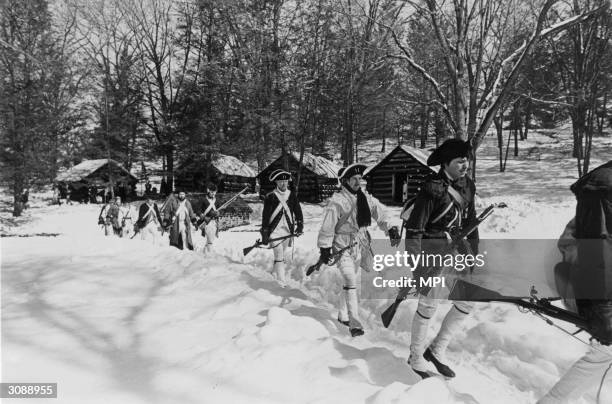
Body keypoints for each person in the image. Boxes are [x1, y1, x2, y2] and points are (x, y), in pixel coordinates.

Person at [538, 160, 612, 403]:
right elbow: (593, 251)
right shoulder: (602, 188)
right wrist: (600, 310)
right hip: (590, 284)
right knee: (605, 351)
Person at [404, 138, 478, 379]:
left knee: (467, 301)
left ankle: (436, 350)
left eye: (466, 160)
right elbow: (415, 230)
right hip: (431, 252)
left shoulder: (468, 185)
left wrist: (472, 255)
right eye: (460, 161)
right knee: (429, 305)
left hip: (456, 250)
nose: (465, 165)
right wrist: (417, 266)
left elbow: (470, 222)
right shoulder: (432, 188)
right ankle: (415, 356)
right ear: (446, 163)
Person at [318, 163, 401, 337]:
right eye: (354, 179)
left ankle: (342, 315)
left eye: (359, 179)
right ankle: (354, 321)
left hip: (360, 246)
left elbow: (382, 213)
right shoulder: (337, 202)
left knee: (351, 282)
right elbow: (327, 227)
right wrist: (324, 248)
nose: (358, 182)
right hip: (341, 245)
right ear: (345, 181)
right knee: (349, 278)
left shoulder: (366, 198)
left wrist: (391, 228)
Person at [260, 170, 303, 287]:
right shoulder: (271, 196)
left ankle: (275, 272)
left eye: (285, 181)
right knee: (279, 253)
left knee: (281, 255)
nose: (283, 184)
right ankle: (281, 281)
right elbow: (266, 216)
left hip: (287, 231)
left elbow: (298, 212)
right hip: (274, 231)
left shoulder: (292, 195)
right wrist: (264, 232)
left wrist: (300, 226)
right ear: (276, 183)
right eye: (280, 181)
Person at [198, 183, 220, 254]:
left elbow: (219, 210)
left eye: (214, 192)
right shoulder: (203, 200)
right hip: (206, 221)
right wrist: (204, 217)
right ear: (208, 191)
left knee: (211, 239)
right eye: (211, 191)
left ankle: (205, 252)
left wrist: (218, 213)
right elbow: (198, 210)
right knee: (210, 239)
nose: (213, 193)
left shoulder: (217, 200)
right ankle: (210, 254)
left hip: (214, 222)